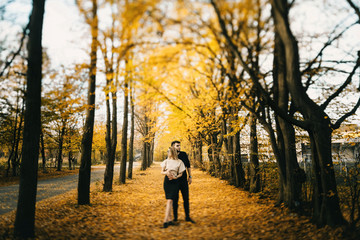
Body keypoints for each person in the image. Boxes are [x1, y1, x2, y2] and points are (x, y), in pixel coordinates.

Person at [160, 146, 186, 228]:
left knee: (170, 201)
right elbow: (161, 172)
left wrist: (176, 177)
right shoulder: (166, 161)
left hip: (175, 182)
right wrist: (166, 172)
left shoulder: (180, 162)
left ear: (173, 152)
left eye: (169, 151)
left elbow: (181, 173)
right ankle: (169, 220)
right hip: (167, 182)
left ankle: (165, 220)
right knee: (169, 200)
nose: (168, 153)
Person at [171, 140, 195, 223]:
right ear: (173, 147)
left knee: (186, 198)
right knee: (175, 199)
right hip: (174, 181)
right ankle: (175, 218)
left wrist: (190, 176)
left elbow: (188, 165)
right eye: (177, 146)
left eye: (179, 145)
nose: (179, 147)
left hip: (183, 180)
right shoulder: (170, 155)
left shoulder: (184, 154)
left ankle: (187, 217)